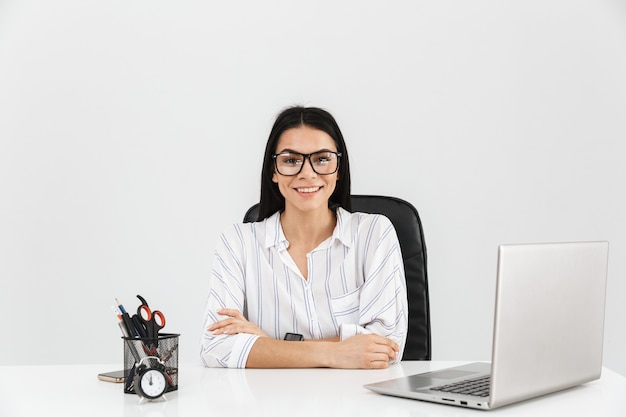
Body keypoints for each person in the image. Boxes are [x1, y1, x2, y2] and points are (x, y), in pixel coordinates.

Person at [200, 106, 408, 369]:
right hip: (267, 404)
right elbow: (215, 347)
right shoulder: (237, 243)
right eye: (290, 160)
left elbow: (386, 345)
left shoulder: (375, 234)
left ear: (338, 168)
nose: (307, 173)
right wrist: (335, 353)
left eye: (322, 159)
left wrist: (269, 345)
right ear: (273, 170)